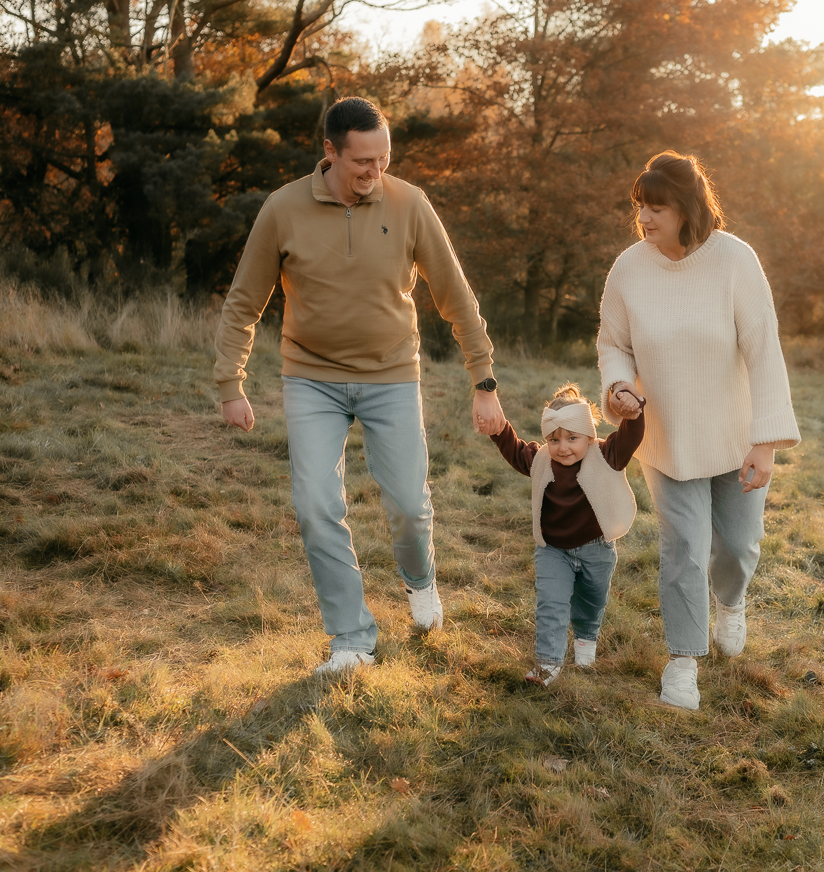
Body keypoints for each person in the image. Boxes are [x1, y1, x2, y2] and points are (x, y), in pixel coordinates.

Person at [214, 96, 506, 675]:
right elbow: (244, 300)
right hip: (311, 377)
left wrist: (484, 378)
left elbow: (455, 293)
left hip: (391, 374)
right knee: (316, 506)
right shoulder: (282, 209)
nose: (376, 171)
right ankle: (351, 640)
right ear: (330, 151)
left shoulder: (410, 204)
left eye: (384, 159)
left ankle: (419, 580)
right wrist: (230, 382)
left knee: (409, 506)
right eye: (363, 162)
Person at [597, 150, 800, 710]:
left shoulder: (735, 260)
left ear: (687, 209)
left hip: (735, 436)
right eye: (640, 206)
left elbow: (764, 351)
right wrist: (618, 385)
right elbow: (613, 342)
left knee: (737, 545)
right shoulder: (629, 268)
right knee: (684, 548)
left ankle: (730, 603)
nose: (644, 218)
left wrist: (765, 443)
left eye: (657, 208)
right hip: (667, 437)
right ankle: (683, 661)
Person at [487, 383, 645, 685]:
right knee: (551, 603)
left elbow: (631, 436)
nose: (563, 448)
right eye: (554, 439)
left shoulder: (606, 454)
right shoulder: (541, 459)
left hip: (596, 548)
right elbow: (515, 450)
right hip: (552, 549)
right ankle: (548, 663)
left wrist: (633, 412)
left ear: (589, 435)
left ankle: (586, 638)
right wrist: (498, 429)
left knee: (591, 601)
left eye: (573, 438)